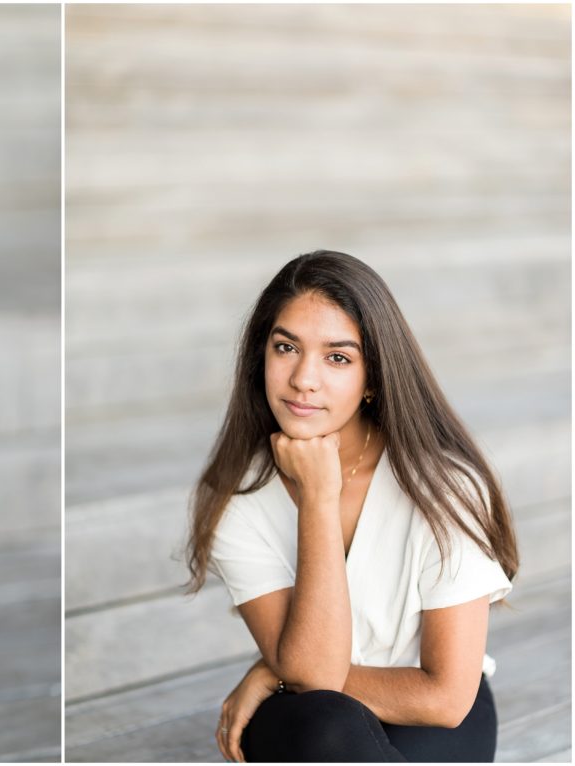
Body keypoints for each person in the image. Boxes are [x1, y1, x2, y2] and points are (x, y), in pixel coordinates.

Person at [185, 251, 518, 762]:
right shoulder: (236, 499)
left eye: (337, 357)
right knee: (330, 725)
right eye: (285, 347)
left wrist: (274, 671)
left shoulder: (444, 487)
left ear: (374, 379)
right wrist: (318, 497)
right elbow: (314, 682)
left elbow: (447, 698)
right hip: (307, 717)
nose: (303, 379)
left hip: (430, 707)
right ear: (261, 356)